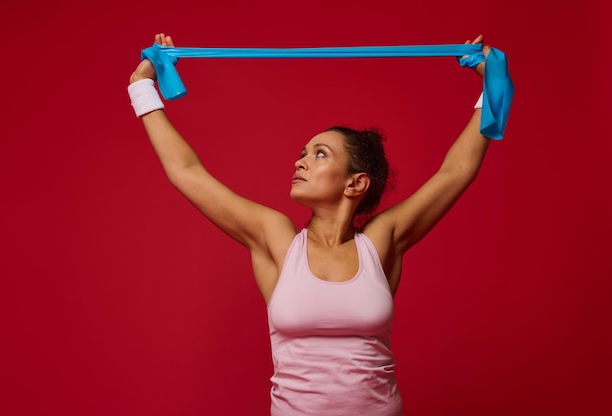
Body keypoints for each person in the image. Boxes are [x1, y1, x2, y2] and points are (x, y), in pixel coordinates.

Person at [128, 33, 494, 416]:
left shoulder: (380, 243)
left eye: (320, 154)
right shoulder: (277, 239)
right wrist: (142, 88)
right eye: (302, 154)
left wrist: (491, 85)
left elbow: (455, 172)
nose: (300, 162)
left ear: (355, 183)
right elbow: (187, 173)